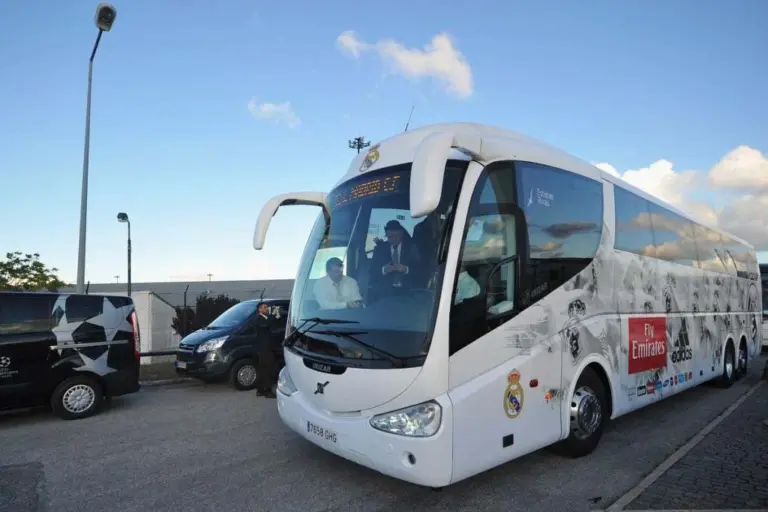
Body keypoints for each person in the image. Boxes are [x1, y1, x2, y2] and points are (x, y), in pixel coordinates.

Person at [369, 220, 421, 297]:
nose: (393, 239)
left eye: (396, 236)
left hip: (408, 294)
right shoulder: (379, 249)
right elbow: (371, 272)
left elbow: (420, 271)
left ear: (401, 234)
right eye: (390, 237)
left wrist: (406, 269)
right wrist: (384, 270)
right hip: (383, 295)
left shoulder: (411, 248)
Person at [254, 302, 277, 398]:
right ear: (259, 309)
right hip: (264, 348)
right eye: (264, 307)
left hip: (266, 347)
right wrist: (273, 316)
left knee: (262, 369)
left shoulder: (265, 318)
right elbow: (266, 325)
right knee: (267, 369)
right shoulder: (259, 319)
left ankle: (260, 390)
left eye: (267, 307)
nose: (267, 309)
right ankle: (267, 391)